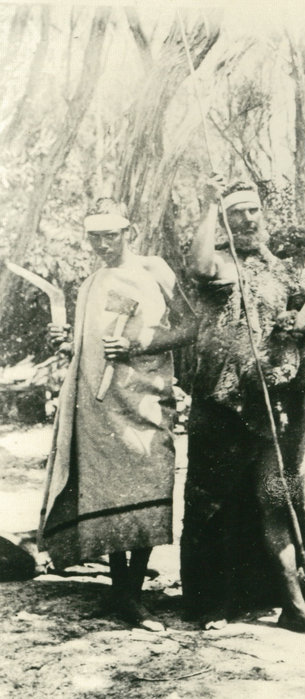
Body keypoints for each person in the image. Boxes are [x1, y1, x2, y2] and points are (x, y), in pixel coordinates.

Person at [180, 177, 305, 635]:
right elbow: (197, 265)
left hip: (272, 398)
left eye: (253, 211)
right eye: (237, 213)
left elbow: (304, 319)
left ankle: (281, 600)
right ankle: (209, 601)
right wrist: (211, 207)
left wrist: (299, 329)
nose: (248, 219)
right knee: (214, 500)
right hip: (220, 399)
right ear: (225, 222)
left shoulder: (281, 270)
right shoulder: (219, 265)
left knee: (274, 500)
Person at [38, 198, 196, 630]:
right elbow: (88, 346)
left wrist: (139, 345)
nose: (103, 244)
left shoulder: (154, 270)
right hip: (99, 404)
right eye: (95, 237)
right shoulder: (90, 283)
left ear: (130, 231)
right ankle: (122, 592)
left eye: (112, 235)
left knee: (149, 479)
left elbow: (190, 326)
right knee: (108, 493)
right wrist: (65, 340)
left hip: (144, 398)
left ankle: (132, 593)